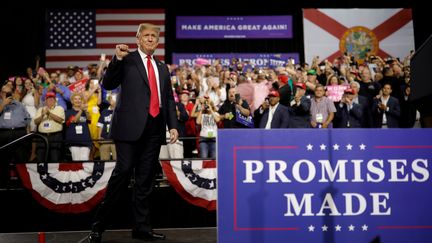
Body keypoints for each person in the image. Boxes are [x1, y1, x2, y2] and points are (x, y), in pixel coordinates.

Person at [88, 23, 178, 243]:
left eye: (154, 36)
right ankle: (98, 227)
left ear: (157, 41)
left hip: (155, 131)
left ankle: (142, 229)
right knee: (123, 174)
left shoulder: (162, 67)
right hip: (129, 129)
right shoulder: (127, 60)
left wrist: (173, 125)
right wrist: (116, 59)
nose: (150, 39)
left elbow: (167, 99)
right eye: (145, 35)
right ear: (138, 39)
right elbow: (108, 84)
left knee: (145, 181)